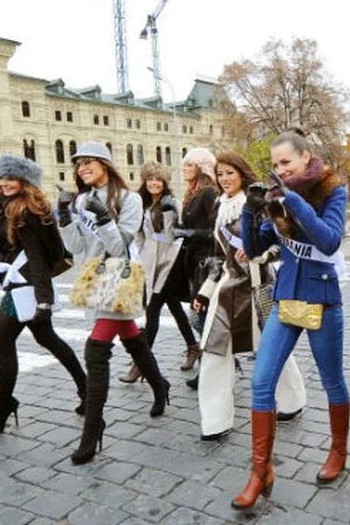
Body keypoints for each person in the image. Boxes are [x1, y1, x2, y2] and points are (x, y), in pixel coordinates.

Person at [232, 129, 350, 510]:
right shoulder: (274, 198)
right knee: (261, 381)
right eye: (276, 164)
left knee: (332, 381)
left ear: (304, 158)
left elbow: (329, 239)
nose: (280, 169)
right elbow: (254, 249)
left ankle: (338, 451)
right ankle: (260, 470)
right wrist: (252, 211)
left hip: (323, 300)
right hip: (286, 299)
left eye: (286, 162)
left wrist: (292, 199)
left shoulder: (333, 189)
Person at [58, 142, 169, 465]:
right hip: (95, 276)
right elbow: (78, 246)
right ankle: (159, 385)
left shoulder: (130, 199)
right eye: (78, 164)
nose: (82, 169)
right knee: (131, 335)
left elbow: (120, 247)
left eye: (88, 162)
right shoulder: (81, 199)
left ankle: (93, 429)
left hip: (120, 276)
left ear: (105, 164)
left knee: (96, 348)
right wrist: (65, 217)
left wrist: (104, 217)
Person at [194, 152, 307, 441]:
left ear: (242, 173)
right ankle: (215, 422)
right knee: (214, 352)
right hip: (228, 291)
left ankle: (292, 402)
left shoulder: (257, 203)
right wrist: (205, 292)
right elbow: (219, 257)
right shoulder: (220, 206)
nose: (224, 179)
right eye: (220, 174)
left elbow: (284, 245)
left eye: (230, 172)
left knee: (273, 350)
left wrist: (259, 254)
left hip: (261, 290)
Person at [0, 155, 87, 434]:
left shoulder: (26, 212)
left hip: (26, 285)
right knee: (47, 338)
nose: (5, 182)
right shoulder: (5, 204)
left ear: (25, 181)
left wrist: (44, 299)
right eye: (2, 177)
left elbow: (37, 256)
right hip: (20, 283)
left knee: (2, 344)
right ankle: (87, 391)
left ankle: (3, 408)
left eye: (11, 178)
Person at [119, 162, 198, 383]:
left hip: (169, 264)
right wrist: (141, 255)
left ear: (164, 183)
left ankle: (141, 364)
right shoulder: (142, 204)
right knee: (174, 308)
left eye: (159, 180)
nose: (154, 183)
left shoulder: (170, 203)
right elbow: (139, 234)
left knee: (152, 311)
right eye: (151, 179)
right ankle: (193, 347)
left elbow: (174, 235)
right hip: (149, 263)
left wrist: (167, 255)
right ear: (145, 181)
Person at [170, 148, 219, 386]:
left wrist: (188, 232)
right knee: (201, 317)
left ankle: (214, 363)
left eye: (190, 165)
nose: (185, 169)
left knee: (200, 318)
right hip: (193, 263)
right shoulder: (193, 194)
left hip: (205, 263)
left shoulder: (209, 193)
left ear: (201, 168)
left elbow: (213, 231)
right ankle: (216, 362)